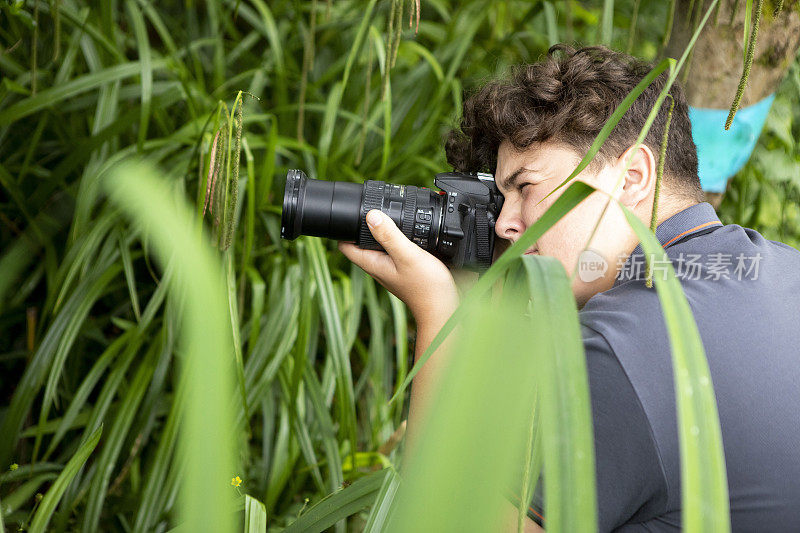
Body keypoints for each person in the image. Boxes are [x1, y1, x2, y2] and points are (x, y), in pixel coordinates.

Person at [338, 44, 800, 531]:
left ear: (633, 176)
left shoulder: (619, 349)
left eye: (526, 188)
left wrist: (439, 312)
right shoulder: (783, 270)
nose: (504, 226)